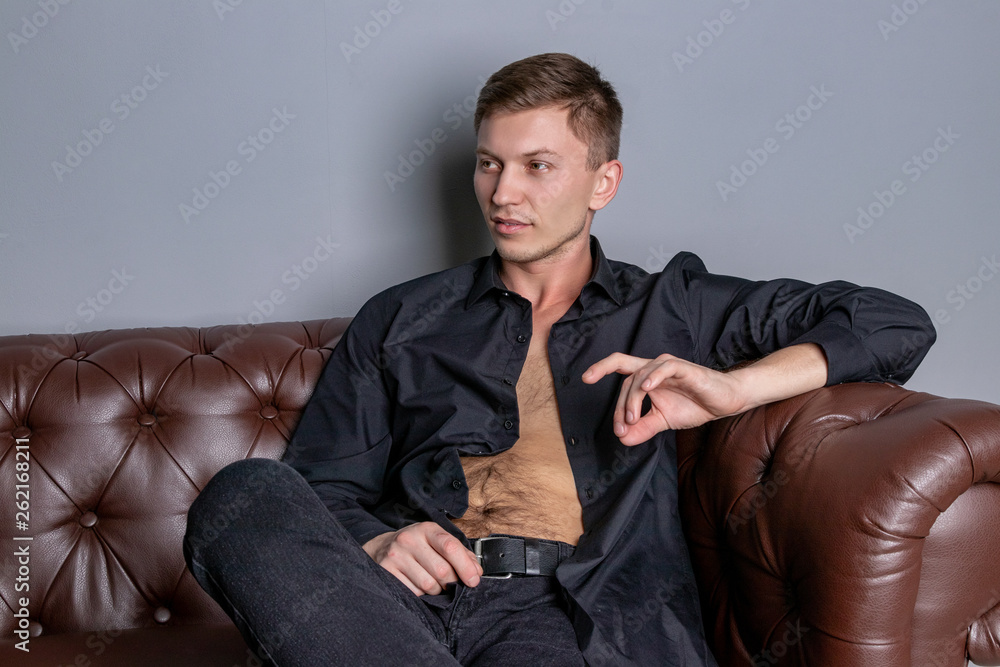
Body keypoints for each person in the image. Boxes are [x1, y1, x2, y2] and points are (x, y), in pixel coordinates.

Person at [184, 53, 935, 666]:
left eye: (537, 165)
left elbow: (892, 322)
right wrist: (378, 540)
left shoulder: (671, 307)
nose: (502, 193)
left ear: (601, 182)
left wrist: (733, 387)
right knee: (242, 496)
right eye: (488, 164)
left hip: (565, 614)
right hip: (390, 610)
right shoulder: (402, 317)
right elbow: (323, 486)